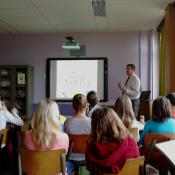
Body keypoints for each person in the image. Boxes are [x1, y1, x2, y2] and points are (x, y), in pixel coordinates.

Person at [86, 107, 140, 175]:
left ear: (94, 126)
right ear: (116, 121)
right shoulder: (131, 143)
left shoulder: (92, 149)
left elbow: (89, 168)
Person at [23, 99, 69, 175]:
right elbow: (63, 159)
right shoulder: (64, 137)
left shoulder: (27, 136)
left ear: (37, 114)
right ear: (56, 115)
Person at [139, 97, 175, 175]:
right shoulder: (174, 123)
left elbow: (141, 141)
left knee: (140, 150)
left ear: (154, 109)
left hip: (154, 155)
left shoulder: (149, 123)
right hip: (171, 155)